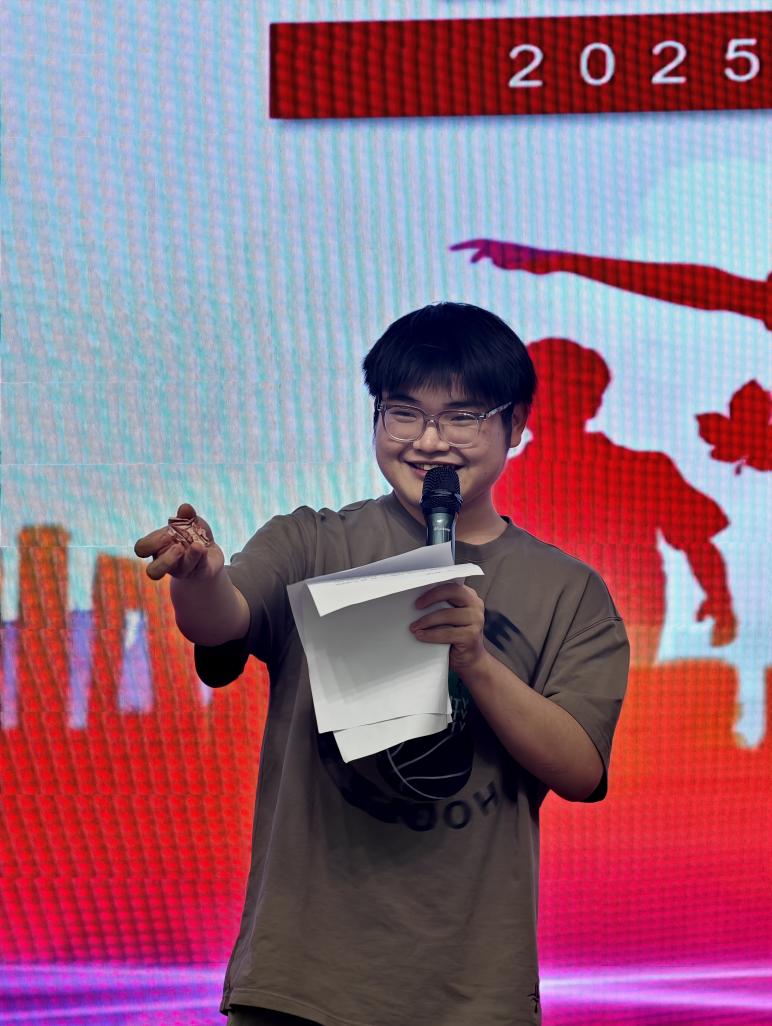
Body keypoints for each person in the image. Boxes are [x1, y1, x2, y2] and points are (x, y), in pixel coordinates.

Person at [134, 302, 630, 1026]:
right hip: (300, 984)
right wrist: (199, 576)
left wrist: (478, 663)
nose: (429, 441)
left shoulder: (569, 591)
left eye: (461, 417)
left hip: (469, 993)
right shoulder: (311, 543)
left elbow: (581, 769)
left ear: (516, 426)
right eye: (404, 413)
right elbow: (223, 621)